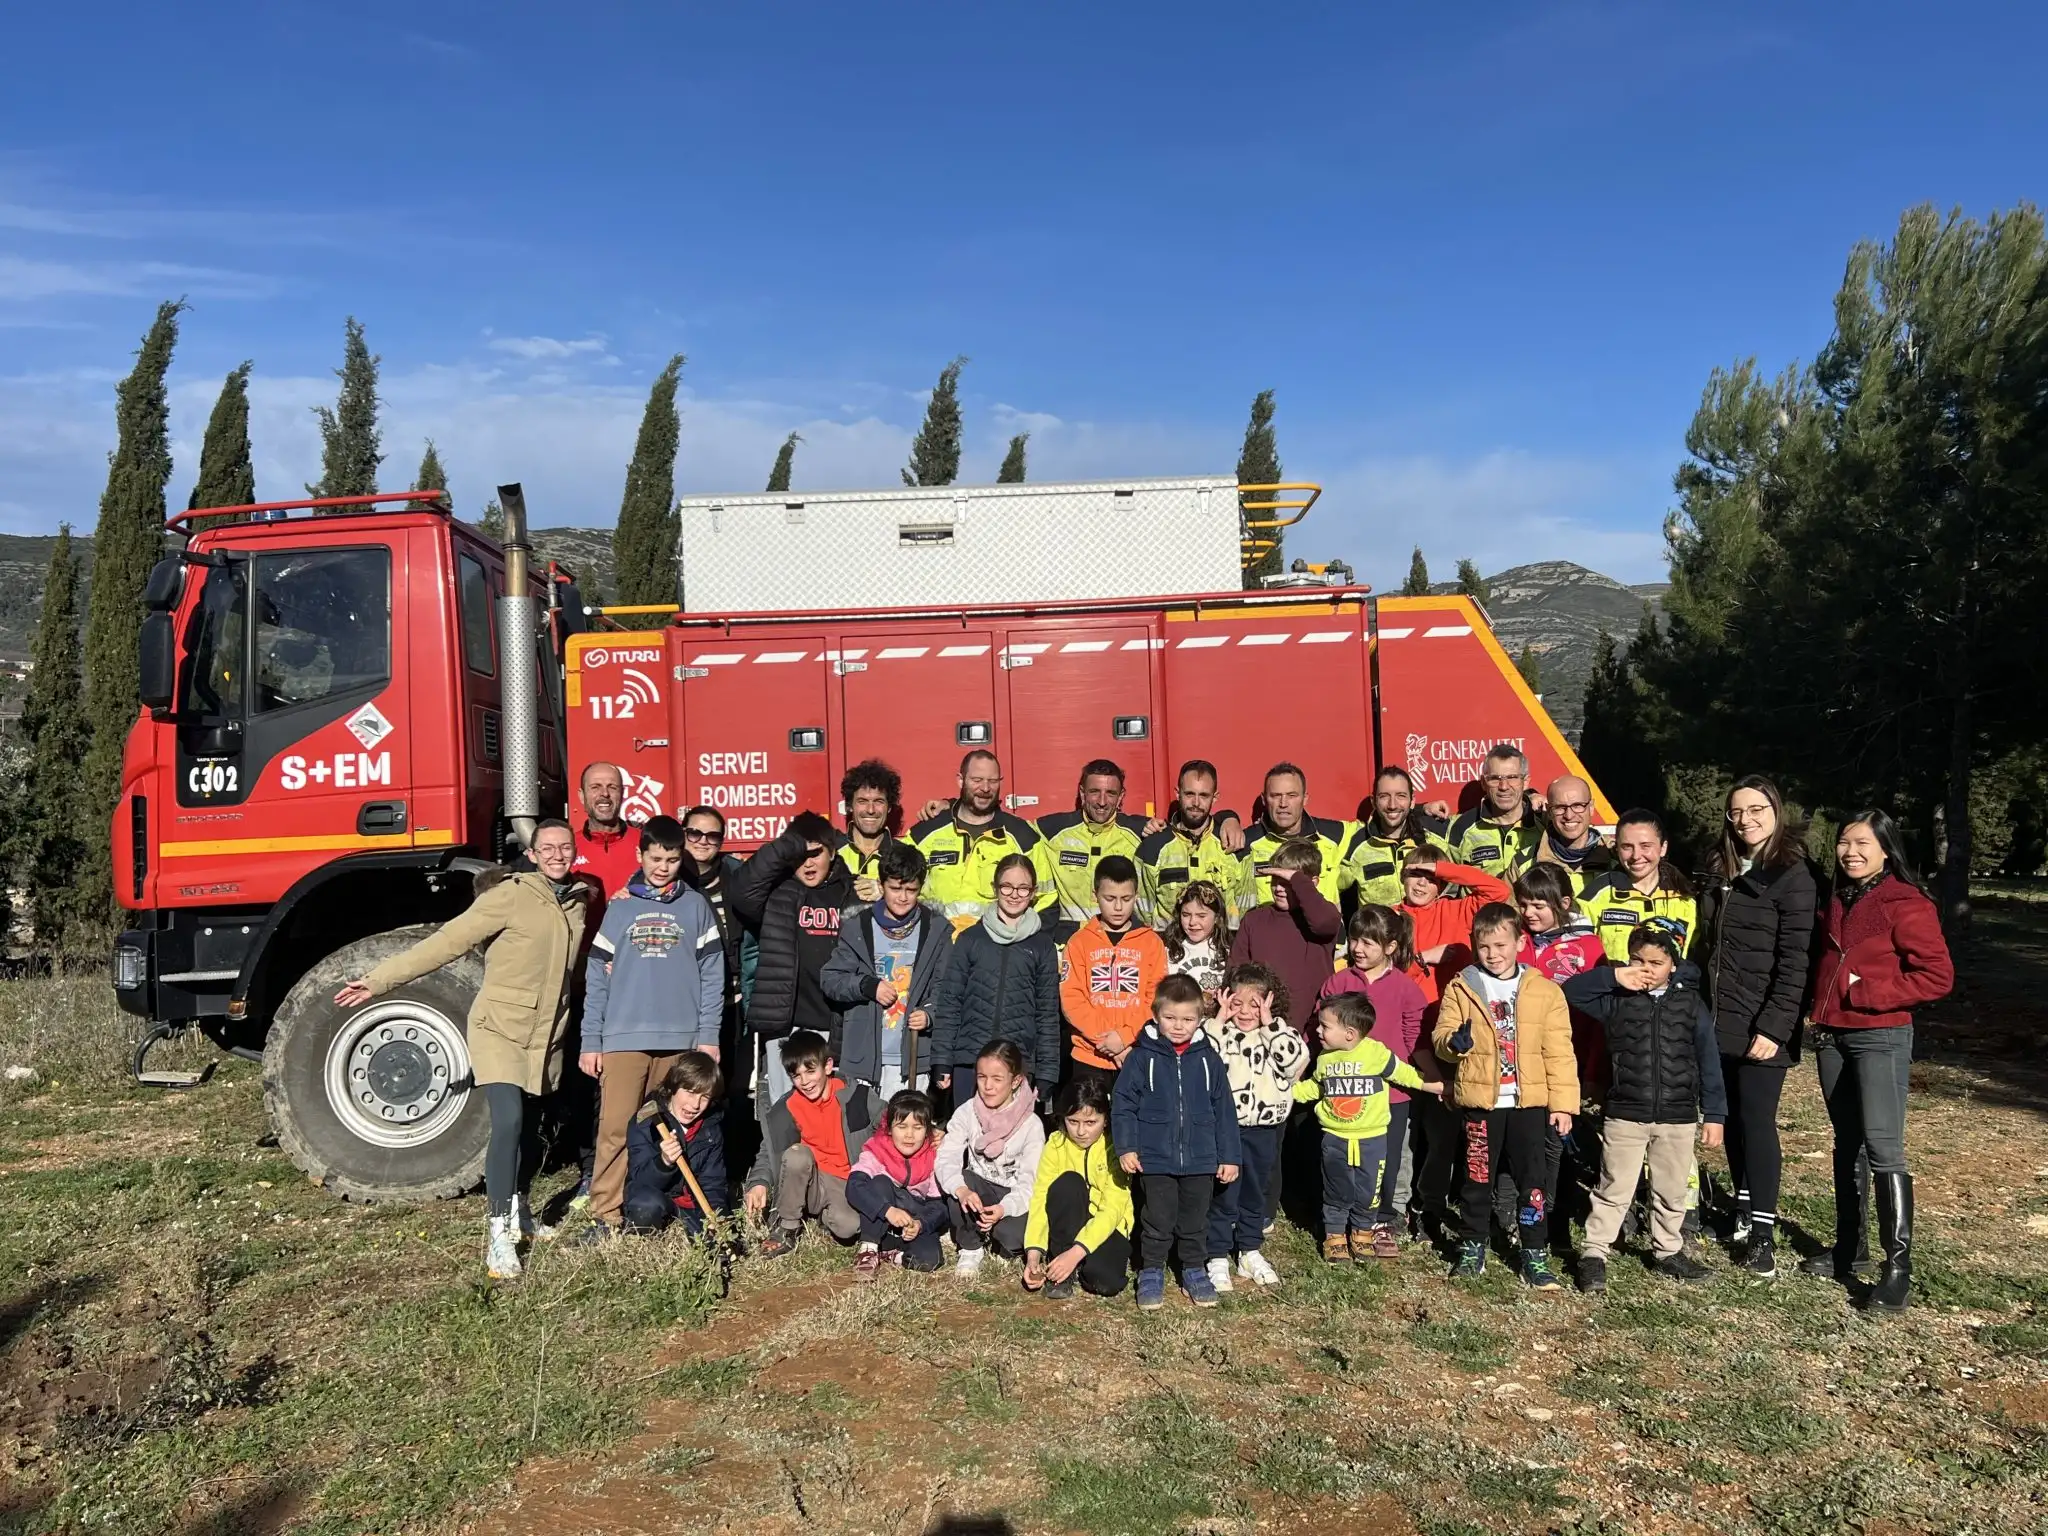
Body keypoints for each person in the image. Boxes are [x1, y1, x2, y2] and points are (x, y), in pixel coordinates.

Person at [335, 820, 592, 1281]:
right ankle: (497, 1236)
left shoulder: (577, 901)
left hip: (545, 1033)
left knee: (531, 1126)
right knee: (509, 1118)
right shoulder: (510, 894)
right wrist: (378, 980)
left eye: (565, 847)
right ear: (531, 855)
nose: (557, 854)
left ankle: (521, 1213)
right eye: (547, 848)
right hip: (498, 1026)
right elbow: (447, 942)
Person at [1805, 810, 1954, 1313]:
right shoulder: (1836, 900)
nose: (1850, 851)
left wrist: (1869, 993)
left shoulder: (1905, 903)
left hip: (1880, 1036)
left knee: (1884, 1149)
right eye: (1844, 842)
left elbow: (1936, 976)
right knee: (1846, 1143)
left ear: (1886, 849)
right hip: (1831, 1038)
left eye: (1862, 843)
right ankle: (1851, 1248)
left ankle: (1898, 1268)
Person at [578, 815, 727, 1238]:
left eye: (672, 859)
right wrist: (592, 1040)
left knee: (676, 1127)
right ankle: (605, 1214)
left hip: (681, 1041)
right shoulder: (621, 907)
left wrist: (708, 1036)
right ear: (640, 855)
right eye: (656, 858)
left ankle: (674, 1207)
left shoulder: (695, 907)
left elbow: (713, 975)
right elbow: (597, 974)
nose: (663, 867)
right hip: (624, 1039)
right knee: (615, 1128)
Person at [1695, 775, 1819, 1280]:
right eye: (1736, 812)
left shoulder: (1794, 875)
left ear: (1775, 810)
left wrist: (1774, 1025)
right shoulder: (1721, 867)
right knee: (1734, 1122)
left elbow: (1796, 962)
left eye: (1756, 809)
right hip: (1721, 1017)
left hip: (1764, 1022)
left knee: (1758, 1122)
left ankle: (1764, 1235)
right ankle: (1743, 1212)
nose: (1745, 820)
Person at [1563, 927, 1728, 1291]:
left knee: (1670, 1189)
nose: (1647, 969)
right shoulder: (1616, 999)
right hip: (1625, 1112)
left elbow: (1709, 1060)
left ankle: (1668, 1250)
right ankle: (1594, 1253)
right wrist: (1614, 976)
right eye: (1638, 960)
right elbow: (1570, 992)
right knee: (1613, 1187)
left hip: (1678, 1114)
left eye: (1657, 962)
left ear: (1673, 965)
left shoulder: (1691, 1004)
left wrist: (1715, 1114)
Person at [1432, 903, 1579, 1289]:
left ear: (1519, 942)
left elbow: (1560, 1051)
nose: (1493, 955)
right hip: (1483, 1104)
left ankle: (1534, 1251)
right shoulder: (1461, 987)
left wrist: (1563, 1104)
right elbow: (1441, 1036)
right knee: (1477, 1180)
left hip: (1528, 1104)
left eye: (1501, 945)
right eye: (1484, 947)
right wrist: (1453, 1043)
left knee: (1533, 1181)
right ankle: (1472, 1244)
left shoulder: (1545, 991)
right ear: (1474, 946)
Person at [1113, 974, 1241, 1309]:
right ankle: (1151, 1269)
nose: (1178, 1026)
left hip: (1201, 1156)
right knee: (1157, 1216)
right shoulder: (1142, 1057)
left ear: (1200, 1018)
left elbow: (1224, 1109)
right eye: (1170, 1018)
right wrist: (1127, 1147)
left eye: (1187, 1019)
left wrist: (1229, 1156)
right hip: (1155, 1156)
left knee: (1195, 1218)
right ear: (1156, 1015)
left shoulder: (1208, 1058)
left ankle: (1194, 1269)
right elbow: (1123, 1103)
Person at [1295, 991, 1438, 1263]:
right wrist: (1287, 1093)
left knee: (1369, 1190)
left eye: (1324, 1026)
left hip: (1372, 1140)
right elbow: (1315, 1087)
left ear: (1350, 1033)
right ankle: (1335, 1235)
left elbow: (1405, 1074)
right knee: (1336, 1188)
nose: (1318, 1031)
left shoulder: (1376, 1053)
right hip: (1335, 1138)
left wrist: (1431, 1085)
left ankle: (1362, 1231)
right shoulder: (1326, 1059)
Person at [1318, 905, 1433, 1242]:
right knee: (1339, 1160)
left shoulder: (1405, 988)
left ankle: (1380, 1219)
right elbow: (1321, 1030)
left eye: (1369, 943)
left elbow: (1416, 1039)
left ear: (1391, 947)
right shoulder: (1338, 981)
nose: (1358, 948)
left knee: (1385, 1160)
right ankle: (1339, 1219)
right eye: (1355, 940)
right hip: (1343, 1090)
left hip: (1390, 1095)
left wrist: (1431, 1078)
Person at [730, 810, 855, 1111]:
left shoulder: (851, 892)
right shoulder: (776, 892)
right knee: (783, 1112)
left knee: (831, 1110)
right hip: (785, 1024)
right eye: (799, 856)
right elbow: (740, 891)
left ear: (833, 852)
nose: (808, 863)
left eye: (815, 854)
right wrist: (788, 846)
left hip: (833, 1024)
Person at [1511, 862, 1610, 1230]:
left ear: (1564, 903)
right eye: (1523, 904)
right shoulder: (1516, 942)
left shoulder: (1588, 946)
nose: (1529, 913)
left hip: (1573, 1058)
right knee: (1531, 1141)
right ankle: (1527, 1209)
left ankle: (1560, 1209)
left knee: (1565, 1137)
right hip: (1524, 1062)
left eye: (1539, 905)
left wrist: (1593, 1069)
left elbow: (1599, 1015)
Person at [930, 851, 1063, 1105]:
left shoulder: (1042, 946)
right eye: (1007, 886)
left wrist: (1047, 1073)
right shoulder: (970, 939)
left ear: (1033, 892)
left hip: (1017, 1065)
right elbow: (950, 1003)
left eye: (1023, 888)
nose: (1015, 894)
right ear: (995, 888)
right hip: (969, 1061)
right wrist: (942, 1059)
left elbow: (1047, 1015)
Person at [821, 841, 950, 1102]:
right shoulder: (857, 928)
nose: (903, 897)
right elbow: (830, 979)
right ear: (881, 886)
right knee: (862, 1138)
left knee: (904, 1136)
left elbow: (947, 987)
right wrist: (868, 986)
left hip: (914, 1060)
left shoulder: (937, 929)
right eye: (895, 888)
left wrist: (929, 1014)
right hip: (864, 1060)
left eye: (911, 890)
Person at [1206, 962, 1308, 1291]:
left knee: (1255, 1193)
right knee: (1223, 1192)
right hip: (1227, 1130)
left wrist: (1270, 1026)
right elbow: (1202, 1061)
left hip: (1264, 1129)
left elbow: (1294, 1064)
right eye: (1237, 1003)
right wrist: (1218, 1020)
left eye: (1255, 1003)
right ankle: (1218, 1254)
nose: (1246, 1011)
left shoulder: (1280, 1035)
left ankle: (1249, 1249)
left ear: (1268, 1003)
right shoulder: (1219, 1035)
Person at [743, 1030, 880, 1256]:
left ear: (827, 1066)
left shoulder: (857, 1096)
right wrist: (759, 1182)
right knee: (797, 1155)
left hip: (847, 1181)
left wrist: (927, 1130)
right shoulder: (786, 1108)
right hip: (811, 1177)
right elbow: (769, 1150)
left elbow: (891, 1119)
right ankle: (787, 1227)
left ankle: (821, 1215)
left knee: (849, 1227)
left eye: (810, 1071)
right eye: (796, 1076)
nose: (805, 1082)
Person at [936, 1041, 1046, 1276]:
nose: (988, 1086)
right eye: (982, 1077)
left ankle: (996, 1236)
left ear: (1015, 1081)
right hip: (979, 1189)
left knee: (1012, 1236)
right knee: (960, 1180)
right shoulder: (967, 1111)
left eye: (997, 1079)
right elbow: (947, 1158)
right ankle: (970, 1246)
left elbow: (1030, 1182)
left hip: (1012, 1196)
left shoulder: (1031, 1125)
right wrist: (961, 1190)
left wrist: (1004, 1208)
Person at [908, 750, 1054, 923]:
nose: (985, 788)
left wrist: (1024, 941)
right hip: (936, 941)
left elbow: (1047, 900)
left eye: (992, 781)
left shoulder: (1023, 836)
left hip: (996, 944)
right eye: (977, 780)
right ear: (961, 780)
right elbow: (895, 884)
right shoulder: (925, 833)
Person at [1063, 855, 1170, 1089]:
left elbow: (1154, 998)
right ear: (1095, 895)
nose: (1119, 907)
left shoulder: (1151, 943)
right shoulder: (1079, 942)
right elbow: (1072, 1000)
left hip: (1136, 1052)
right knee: (1090, 1123)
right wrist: (1106, 1040)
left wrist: (1124, 1038)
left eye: (1126, 898)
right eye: (1109, 898)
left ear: (1137, 896)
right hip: (1089, 1055)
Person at [1023, 1078, 1134, 1299]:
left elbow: (1112, 1209)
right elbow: (1041, 1197)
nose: (1081, 1131)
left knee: (1106, 1282)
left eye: (1090, 1122)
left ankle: (1075, 1261)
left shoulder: (1116, 1147)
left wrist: (1077, 1252)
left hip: (1107, 1226)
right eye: (1073, 1121)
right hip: (1070, 1222)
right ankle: (1061, 1266)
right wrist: (1033, 1252)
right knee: (1068, 1182)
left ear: (1105, 1120)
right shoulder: (1056, 1143)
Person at [1227, 839, 1343, 1035]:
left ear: (1311, 883)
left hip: (1312, 1027)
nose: (1279, 888)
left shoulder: (1325, 915)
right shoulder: (1255, 919)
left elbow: (1323, 923)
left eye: (1288, 882)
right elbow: (1236, 970)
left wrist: (1298, 880)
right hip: (1260, 1027)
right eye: (1275, 880)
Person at [622, 1051, 728, 1235]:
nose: (695, 1104)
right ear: (673, 1087)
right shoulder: (647, 1122)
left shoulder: (711, 1129)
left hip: (691, 1204)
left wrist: (717, 1216)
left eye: (705, 1097)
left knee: (720, 1246)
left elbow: (713, 1182)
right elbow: (640, 1179)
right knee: (645, 1208)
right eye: (690, 1092)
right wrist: (663, 1163)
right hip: (657, 1196)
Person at [1136, 759, 1253, 926]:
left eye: (1204, 795)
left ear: (1215, 797)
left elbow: (1247, 912)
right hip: (1169, 948)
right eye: (1189, 794)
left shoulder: (1235, 846)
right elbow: (1143, 915)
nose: (1196, 803)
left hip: (1223, 948)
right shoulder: (1152, 849)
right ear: (1178, 793)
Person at [846, 1089, 949, 1278]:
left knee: (930, 1260)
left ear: (928, 1130)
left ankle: (893, 1255)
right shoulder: (876, 1150)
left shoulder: (934, 1156)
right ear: (889, 1127)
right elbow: (854, 1187)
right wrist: (888, 1211)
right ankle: (868, 1250)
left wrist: (921, 1223)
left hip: (912, 1217)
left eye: (917, 1128)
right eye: (901, 1126)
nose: (909, 1135)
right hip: (881, 1217)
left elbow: (938, 1206)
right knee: (880, 1182)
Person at [1035, 759, 1153, 922]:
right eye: (1094, 792)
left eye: (1111, 793)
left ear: (1121, 797)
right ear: (1083, 794)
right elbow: (1011, 830)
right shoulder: (1051, 831)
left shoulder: (1140, 832)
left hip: (1120, 939)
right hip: (1071, 938)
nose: (1102, 802)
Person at [1581, 810, 1699, 962]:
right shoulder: (1595, 896)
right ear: (1617, 848)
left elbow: (1693, 959)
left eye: (1645, 846)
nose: (1636, 856)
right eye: (1627, 847)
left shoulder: (1686, 899)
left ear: (1663, 848)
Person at [1241, 762, 1362, 909]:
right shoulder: (1246, 843)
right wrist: (1227, 817)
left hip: (1325, 930)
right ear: (1264, 800)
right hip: (1272, 930)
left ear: (1305, 799)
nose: (1283, 803)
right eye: (1275, 795)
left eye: (1292, 795)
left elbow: (1381, 827)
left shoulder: (1335, 835)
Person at [1399, 852, 1514, 991]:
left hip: (1456, 1006)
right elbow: (1382, 976)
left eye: (1432, 879)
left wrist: (1442, 869)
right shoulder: (1389, 917)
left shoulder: (1457, 910)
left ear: (1440, 888)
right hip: (1408, 1008)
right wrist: (1423, 959)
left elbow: (1499, 891)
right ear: (1403, 877)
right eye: (1415, 875)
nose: (1422, 883)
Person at [1343, 766, 1451, 906]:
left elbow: (1453, 891)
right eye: (1384, 796)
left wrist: (1421, 808)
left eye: (1401, 796)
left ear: (1412, 801)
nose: (1392, 805)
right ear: (1373, 801)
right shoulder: (1356, 844)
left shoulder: (1436, 839)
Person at [1446, 746, 1546, 882]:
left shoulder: (1544, 824)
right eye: (1495, 778)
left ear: (1526, 782)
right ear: (1483, 782)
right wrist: (1421, 808)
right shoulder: (1461, 828)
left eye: (1512, 777)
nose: (1504, 786)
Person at [837, 758, 908, 904]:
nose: (870, 810)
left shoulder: (905, 855)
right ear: (850, 806)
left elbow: (922, 901)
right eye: (862, 801)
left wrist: (885, 892)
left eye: (878, 801)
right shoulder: (831, 850)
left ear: (889, 807)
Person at [1528, 775, 1614, 893]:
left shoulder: (1616, 860)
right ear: (1549, 811)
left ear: (1591, 808)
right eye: (1560, 807)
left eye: (1577, 806)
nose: (1569, 816)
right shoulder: (1525, 863)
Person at [571, 761, 642, 903]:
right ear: (581, 795)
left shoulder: (645, 842)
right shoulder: (567, 847)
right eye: (595, 787)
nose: (604, 794)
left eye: (612, 787)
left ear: (622, 793)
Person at [1163, 880, 1232, 1002]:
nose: (1192, 922)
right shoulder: (1168, 949)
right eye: (1186, 915)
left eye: (1201, 916)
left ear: (1216, 917)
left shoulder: (1229, 950)